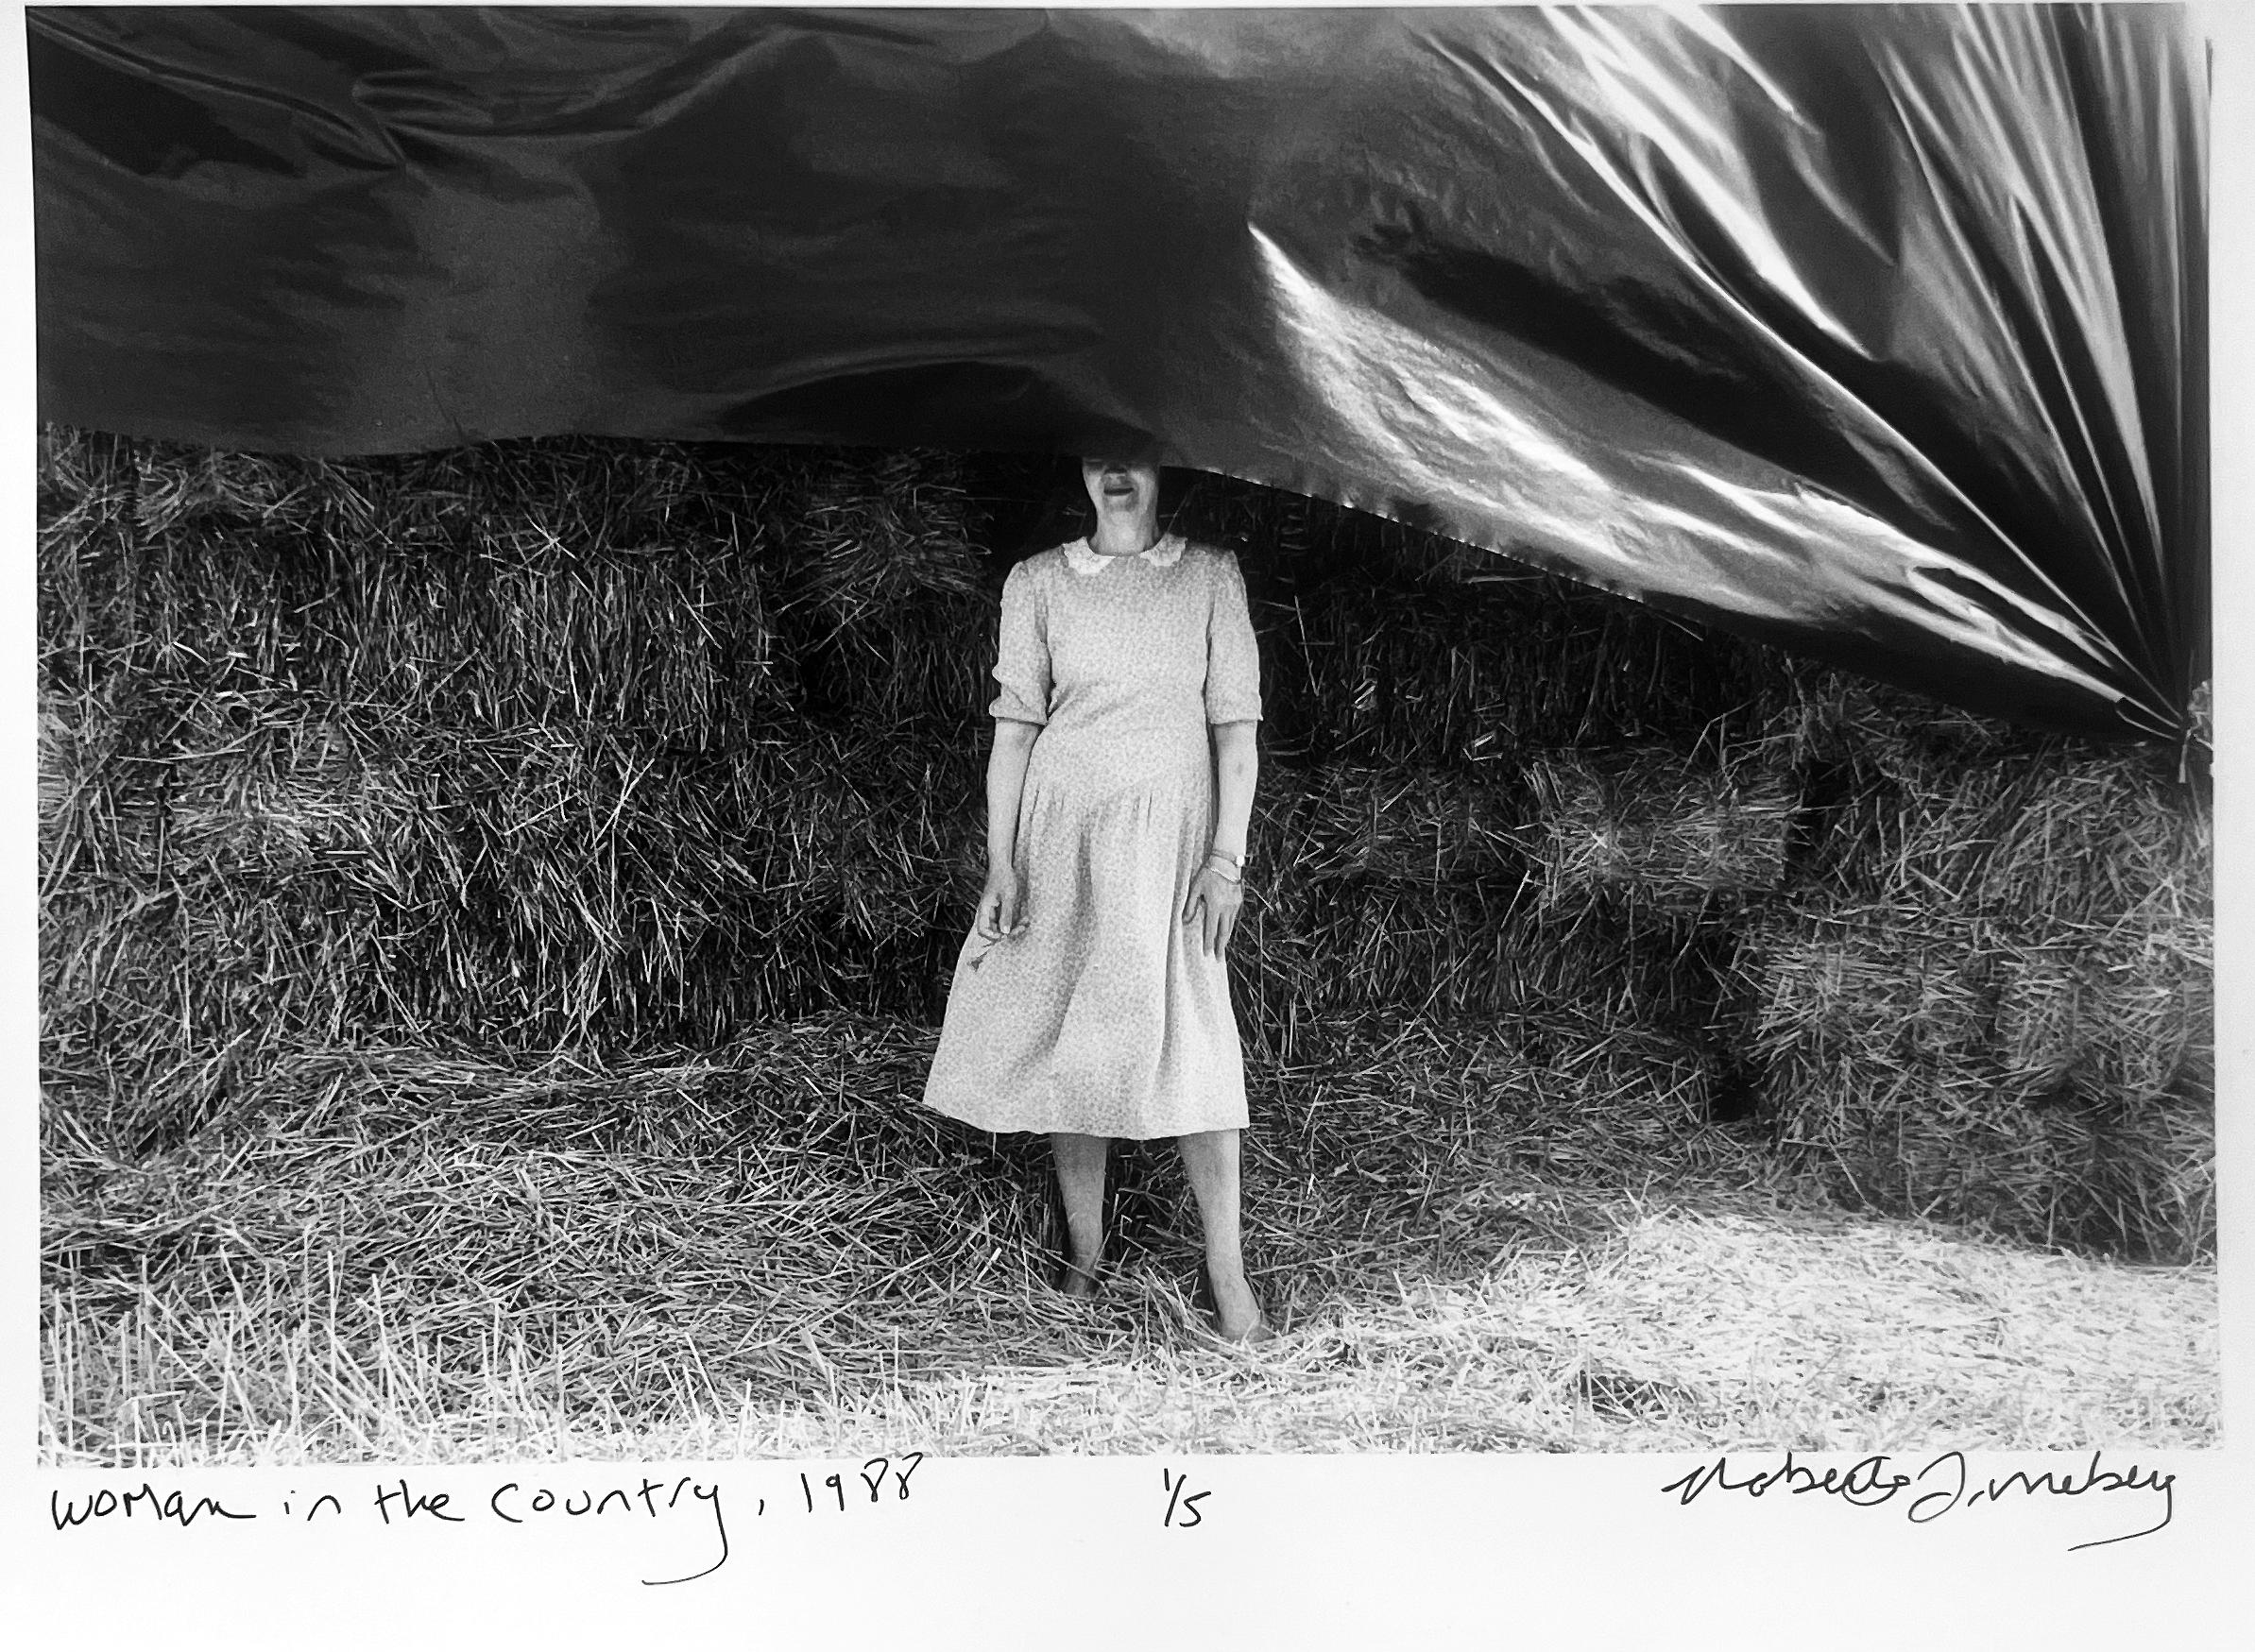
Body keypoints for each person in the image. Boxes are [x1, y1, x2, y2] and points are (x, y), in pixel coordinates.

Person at [921, 455, 1270, 1344]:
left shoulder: (1208, 575)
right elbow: (1014, 730)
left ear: (1162, 466)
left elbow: (1235, 728)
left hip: (1170, 847)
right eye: (1095, 454)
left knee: (1193, 1039)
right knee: (1072, 1044)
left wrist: (1225, 859)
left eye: (1132, 452)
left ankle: (1225, 1273)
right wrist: (1000, 861)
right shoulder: (1037, 581)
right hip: (1059, 838)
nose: (1114, 471)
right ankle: (1086, 1250)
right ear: (1077, 470)